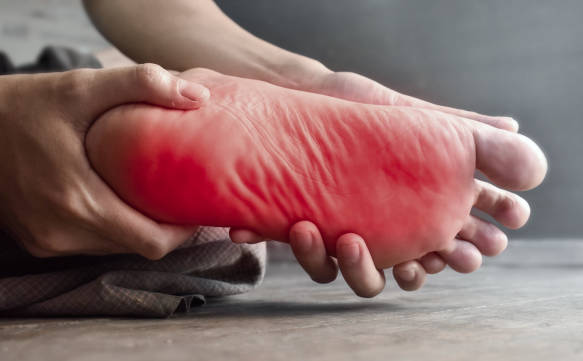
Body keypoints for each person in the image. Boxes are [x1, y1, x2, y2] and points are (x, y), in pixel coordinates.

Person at [0, 0, 527, 299]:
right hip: (52, 85)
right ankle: (136, 130)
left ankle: (129, 134)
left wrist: (297, 80)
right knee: (197, 240)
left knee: (86, 167)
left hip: (43, 94)